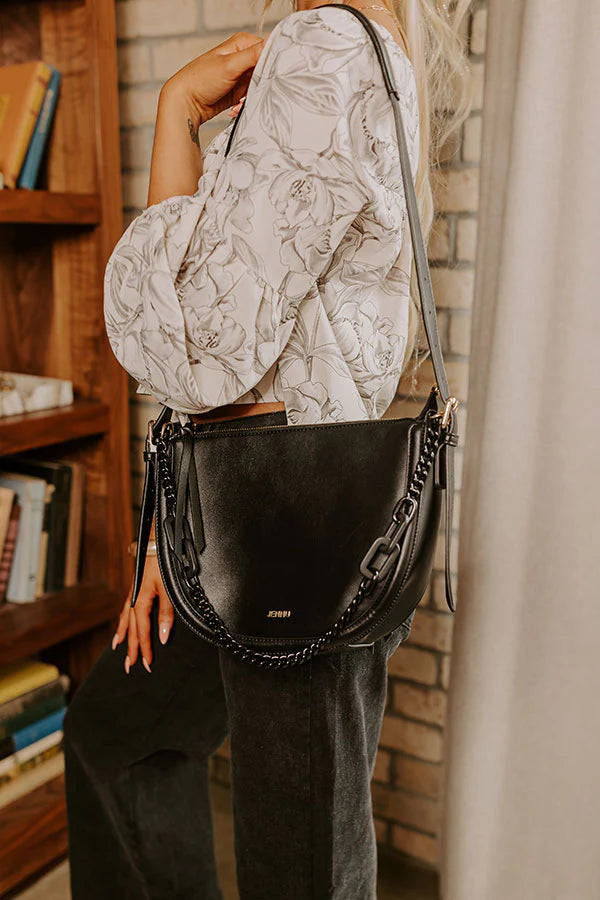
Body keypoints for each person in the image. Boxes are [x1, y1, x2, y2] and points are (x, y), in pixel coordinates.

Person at [63, 1, 471, 897]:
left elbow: (199, 339)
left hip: (284, 510)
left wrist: (175, 111)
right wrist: (178, 529)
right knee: (122, 738)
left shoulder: (326, 43)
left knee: (299, 865)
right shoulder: (367, 49)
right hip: (243, 498)